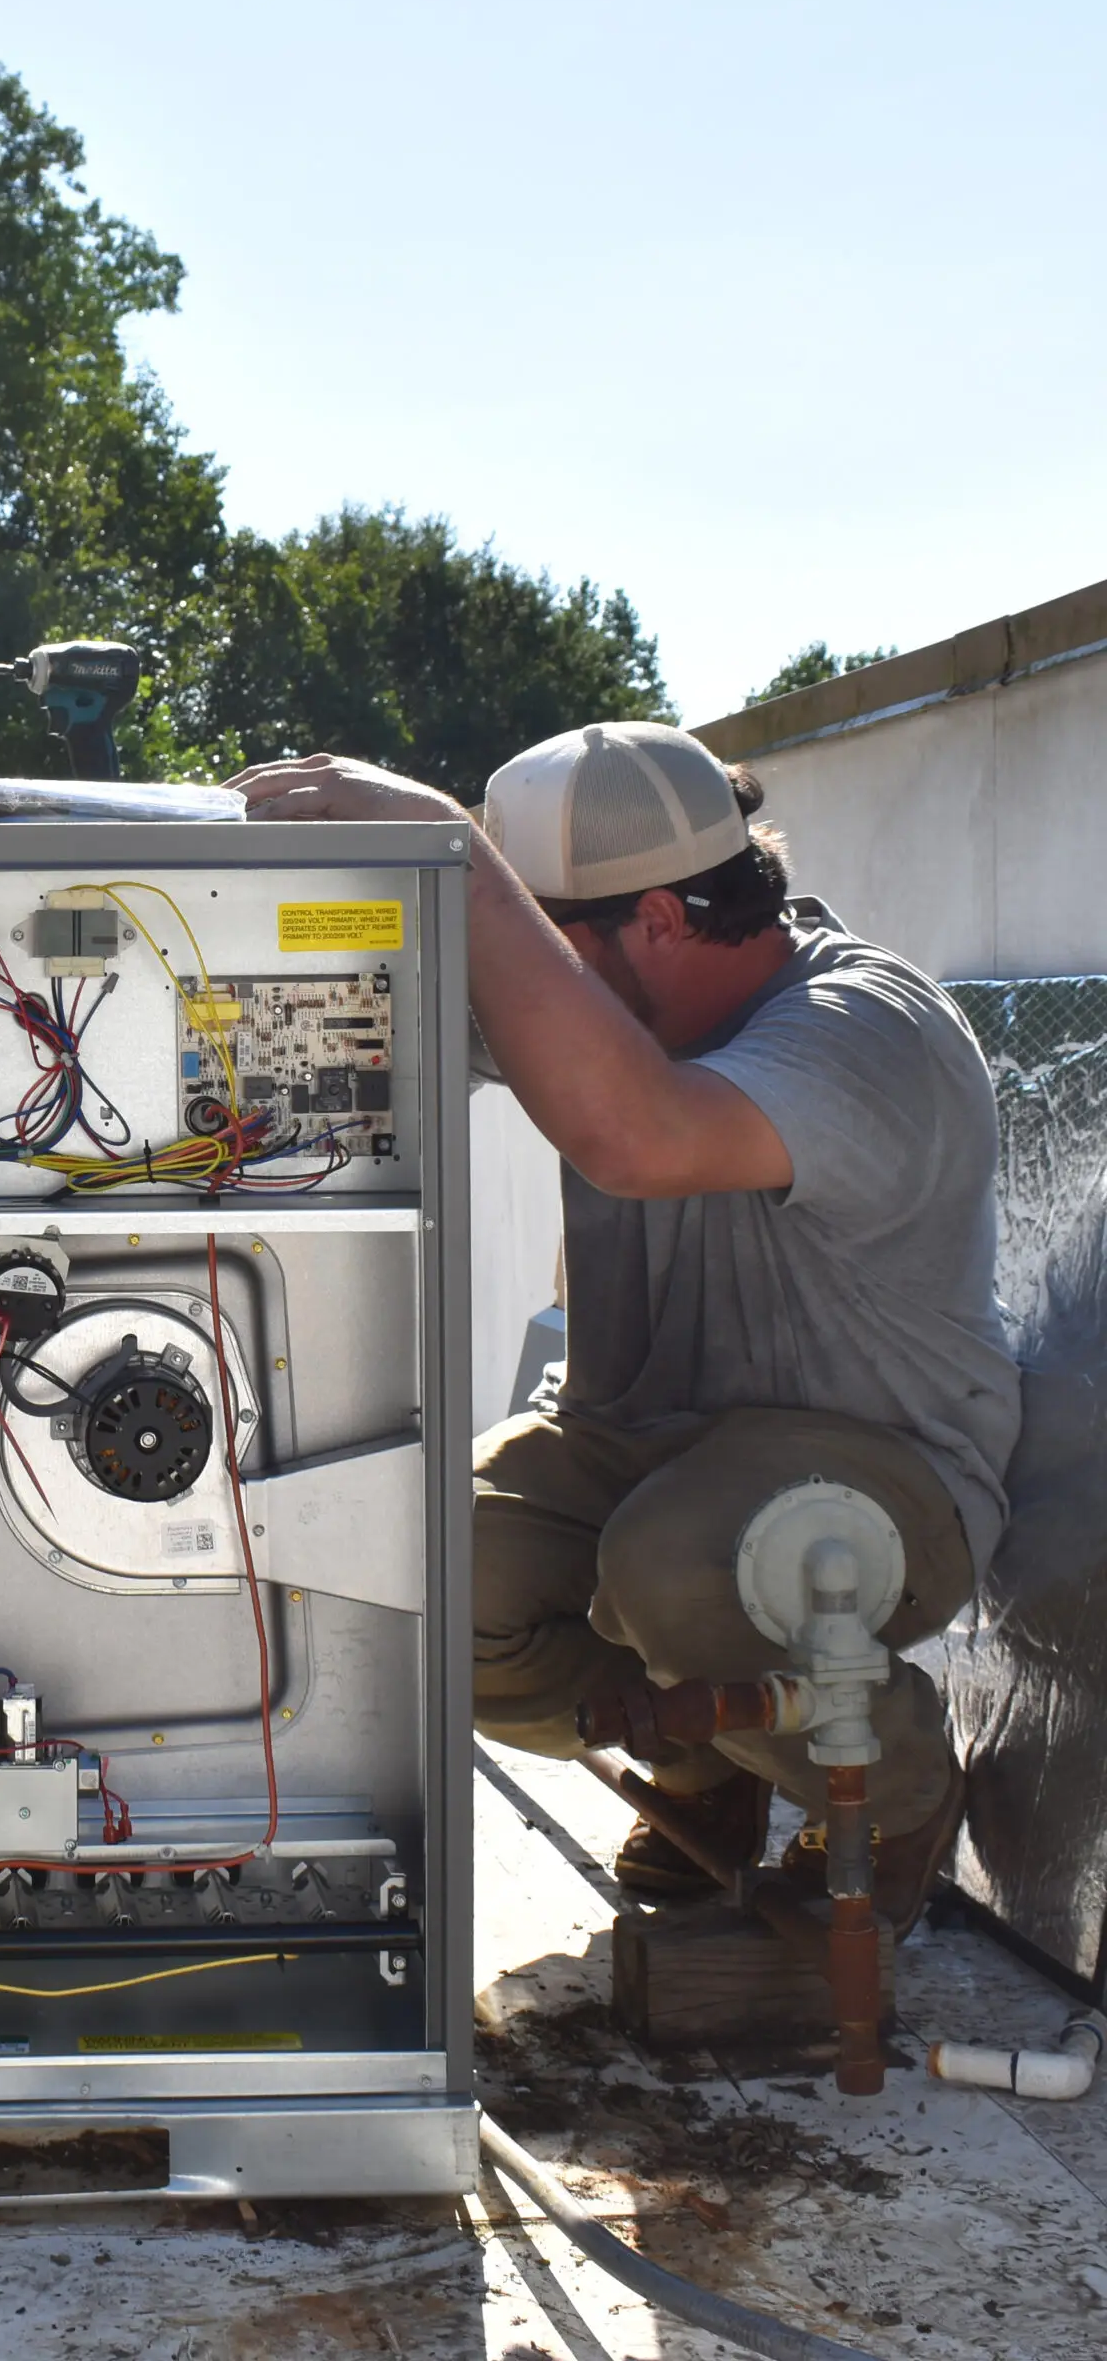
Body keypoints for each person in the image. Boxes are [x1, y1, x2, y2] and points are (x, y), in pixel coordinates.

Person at [233, 724, 1019, 1927]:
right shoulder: (623, 994)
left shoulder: (867, 1028)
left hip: (881, 1481)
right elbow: (332, 1033)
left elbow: (636, 1131)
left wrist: (444, 838)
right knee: (399, 1567)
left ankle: (897, 1786)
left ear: (661, 917)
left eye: (548, 946)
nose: (525, 983)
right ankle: (713, 1759)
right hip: (646, 1454)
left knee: (672, 1567)